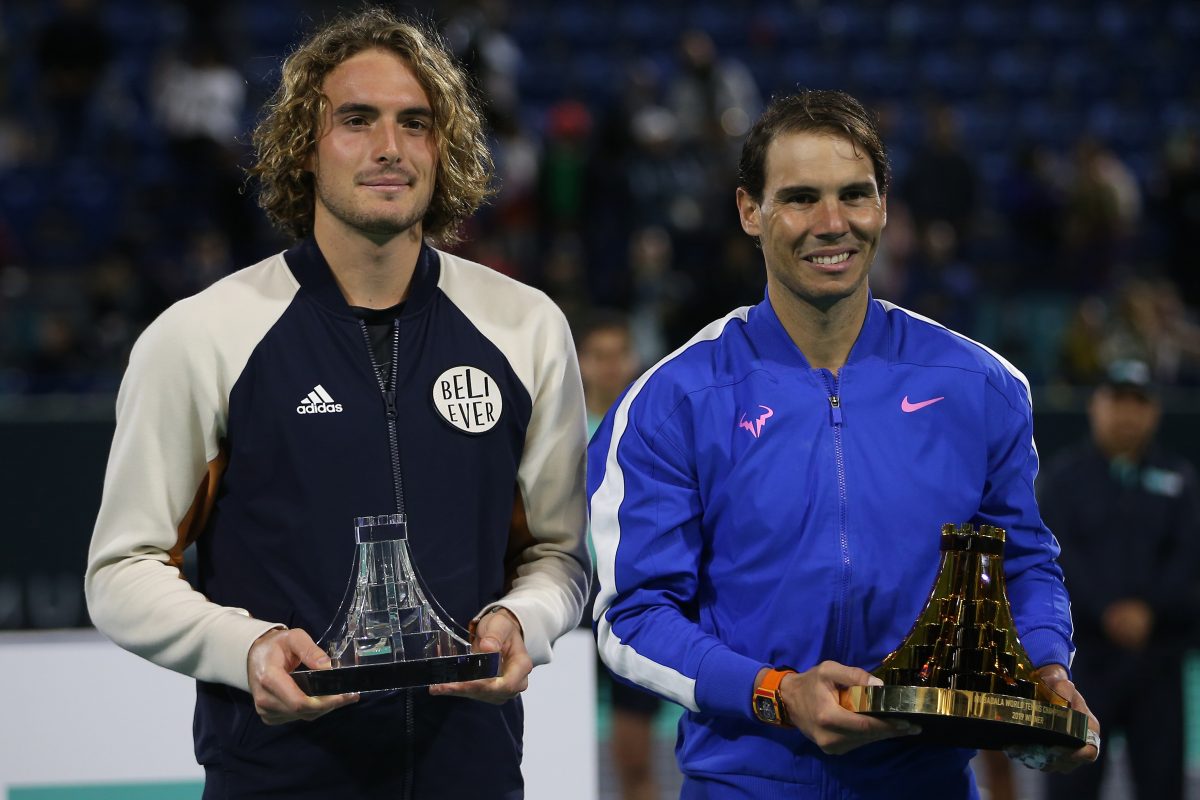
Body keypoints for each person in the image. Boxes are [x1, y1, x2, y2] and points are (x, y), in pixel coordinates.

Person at [84, 10, 589, 799]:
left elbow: (559, 556)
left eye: (415, 124)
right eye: (357, 120)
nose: (390, 147)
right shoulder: (203, 337)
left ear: (441, 147)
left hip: (474, 773)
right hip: (279, 775)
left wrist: (524, 622)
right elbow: (120, 571)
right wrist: (244, 646)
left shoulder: (526, 328)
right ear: (303, 146)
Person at [587, 89, 1099, 799]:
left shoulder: (979, 384)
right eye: (800, 198)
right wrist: (776, 692)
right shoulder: (675, 400)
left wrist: (1045, 670)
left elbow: (1023, 566)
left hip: (929, 782)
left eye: (854, 195)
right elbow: (632, 620)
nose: (832, 225)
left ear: (884, 204)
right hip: (746, 785)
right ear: (748, 211)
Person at [1040, 359, 1200, 800]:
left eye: (1139, 403)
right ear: (1096, 406)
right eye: (1117, 400)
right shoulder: (1062, 480)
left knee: (1162, 782)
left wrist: (1148, 612)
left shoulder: (1181, 481)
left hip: (1158, 659)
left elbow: (1189, 559)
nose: (1127, 414)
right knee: (1071, 782)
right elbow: (1054, 557)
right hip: (1081, 660)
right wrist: (1107, 609)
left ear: (1154, 412)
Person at [576, 310, 674, 800]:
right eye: (600, 355)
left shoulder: (657, 433)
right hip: (571, 617)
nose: (611, 365)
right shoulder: (557, 436)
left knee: (635, 762)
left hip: (634, 604)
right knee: (560, 764)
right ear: (581, 362)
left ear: (634, 360)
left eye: (620, 354)